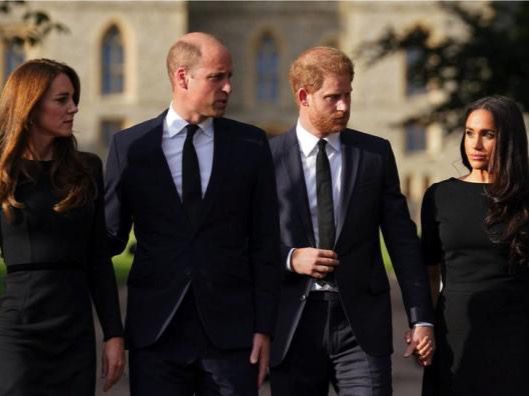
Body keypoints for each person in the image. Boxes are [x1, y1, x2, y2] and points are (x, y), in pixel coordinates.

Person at [104, 32, 281, 395]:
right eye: (218, 77)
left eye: (229, 76)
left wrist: (264, 327)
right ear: (182, 77)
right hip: (156, 333)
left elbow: (266, 243)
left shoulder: (251, 144)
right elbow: (108, 238)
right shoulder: (131, 148)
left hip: (232, 337)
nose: (229, 87)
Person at [268, 46, 435, 396]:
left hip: (360, 325)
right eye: (333, 97)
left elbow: (402, 240)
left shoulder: (374, 154)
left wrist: (421, 317)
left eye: (348, 95)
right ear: (304, 96)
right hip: (292, 325)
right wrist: (290, 257)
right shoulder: (266, 158)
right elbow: (244, 239)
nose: (344, 106)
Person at [0, 59, 124, 395]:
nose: (73, 108)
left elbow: (99, 259)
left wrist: (113, 334)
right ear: (31, 103)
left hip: (75, 330)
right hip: (18, 330)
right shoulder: (3, 173)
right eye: (62, 100)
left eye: (73, 98)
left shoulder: (86, 169)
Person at [421, 95, 529, 396]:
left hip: (516, 333)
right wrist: (424, 326)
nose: (475, 144)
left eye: (488, 135)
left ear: (508, 139)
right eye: (470, 133)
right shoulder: (439, 196)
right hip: (455, 331)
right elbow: (429, 273)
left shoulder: (524, 198)